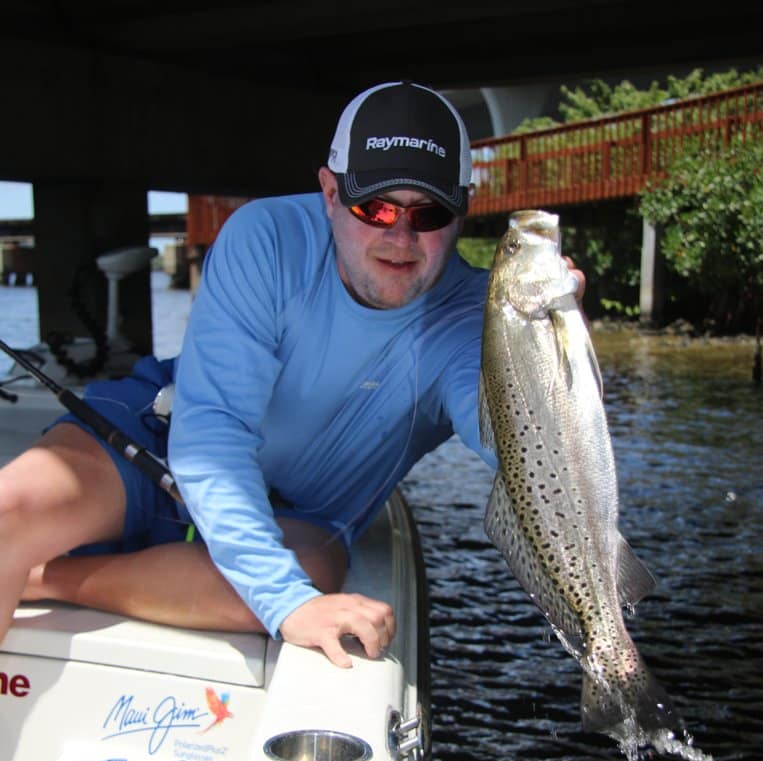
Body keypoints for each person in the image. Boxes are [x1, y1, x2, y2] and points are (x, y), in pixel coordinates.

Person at [0, 81, 584, 668]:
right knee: (9, 513)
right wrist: (280, 596)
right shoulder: (267, 237)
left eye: (428, 213)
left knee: (307, 581)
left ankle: (48, 578)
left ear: (462, 209)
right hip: (160, 433)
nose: (400, 237)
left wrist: (550, 348)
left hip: (299, 517)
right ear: (330, 192)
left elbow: (525, 452)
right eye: (375, 207)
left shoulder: (483, 317)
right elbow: (214, 431)